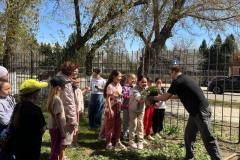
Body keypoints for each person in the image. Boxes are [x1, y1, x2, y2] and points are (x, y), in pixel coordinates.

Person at [151, 66, 222, 160]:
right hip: (195, 112)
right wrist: (164, 96)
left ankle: (217, 158)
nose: (170, 76)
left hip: (200, 112)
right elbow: (177, 95)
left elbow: (165, 97)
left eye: (170, 73)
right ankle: (189, 157)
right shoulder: (185, 79)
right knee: (188, 135)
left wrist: (153, 98)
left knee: (208, 138)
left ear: (174, 71)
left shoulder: (177, 81)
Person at [9, 79, 47, 160]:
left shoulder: (18, 106)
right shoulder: (36, 110)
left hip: (19, 146)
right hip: (32, 147)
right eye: (38, 91)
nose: (39, 94)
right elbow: (43, 129)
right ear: (34, 94)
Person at [57, 61, 78, 149]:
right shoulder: (65, 83)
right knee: (64, 140)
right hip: (65, 115)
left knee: (58, 138)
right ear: (69, 71)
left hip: (57, 112)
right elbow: (68, 102)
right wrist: (73, 119)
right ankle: (59, 156)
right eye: (74, 70)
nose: (75, 72)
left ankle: (59, 156)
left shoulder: (58, 78)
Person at [103, 70, 126, 150]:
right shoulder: (110, 86)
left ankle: (117, 141)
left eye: (121, 76)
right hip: (111, 107)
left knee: (118, 124)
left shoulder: (119, 85)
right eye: (119, 76)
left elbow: (118, 95)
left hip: (118, 107)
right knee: (109, 125)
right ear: (114, 76)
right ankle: (108, 143)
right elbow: (108, 98)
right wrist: (110, 109)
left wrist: (121, 95)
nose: (120, 78)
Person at [47, 76, 68, 160]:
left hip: (53, 128)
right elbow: (58, 117)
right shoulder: (57, 99)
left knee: (54, 147)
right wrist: (62, 131)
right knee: (56, 150)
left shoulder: (52, 98)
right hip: (57, 129)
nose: (65, 87)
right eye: (64, 85)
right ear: (59, 87)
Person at [128, 75, 148, 150]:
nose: (144, 83)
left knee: (140, 125)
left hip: (141, 110)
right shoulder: (134, 89)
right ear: (138, 82)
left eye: (145, 82)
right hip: (133, 109)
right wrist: (147, 93)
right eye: (142, 82)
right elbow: (140, 99)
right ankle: (131, 141)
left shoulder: (146, 89)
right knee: (133, 125)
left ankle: (140, 141)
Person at [72, 68, 89, 145]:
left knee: (76, 125)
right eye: (74, 71)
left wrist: (84, 91)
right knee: (73, 125)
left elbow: (78, 94)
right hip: (72, 108)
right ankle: (72, 142)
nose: (76, 72)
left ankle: (74, 141)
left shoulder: (75, 82)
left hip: (77, 108)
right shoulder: (69, 82)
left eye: (77, 71)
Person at [121, 73, 136, 140]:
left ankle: (130, 132)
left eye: (134, 78)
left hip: (134, 107)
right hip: (126, 106)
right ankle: (124, 133)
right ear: (128, 79)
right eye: (131, 78)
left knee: (132, 121)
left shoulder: (136, 87)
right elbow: (124, 95)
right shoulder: (125, 87)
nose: (133, 80)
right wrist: (131, 97)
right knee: (125, 120)